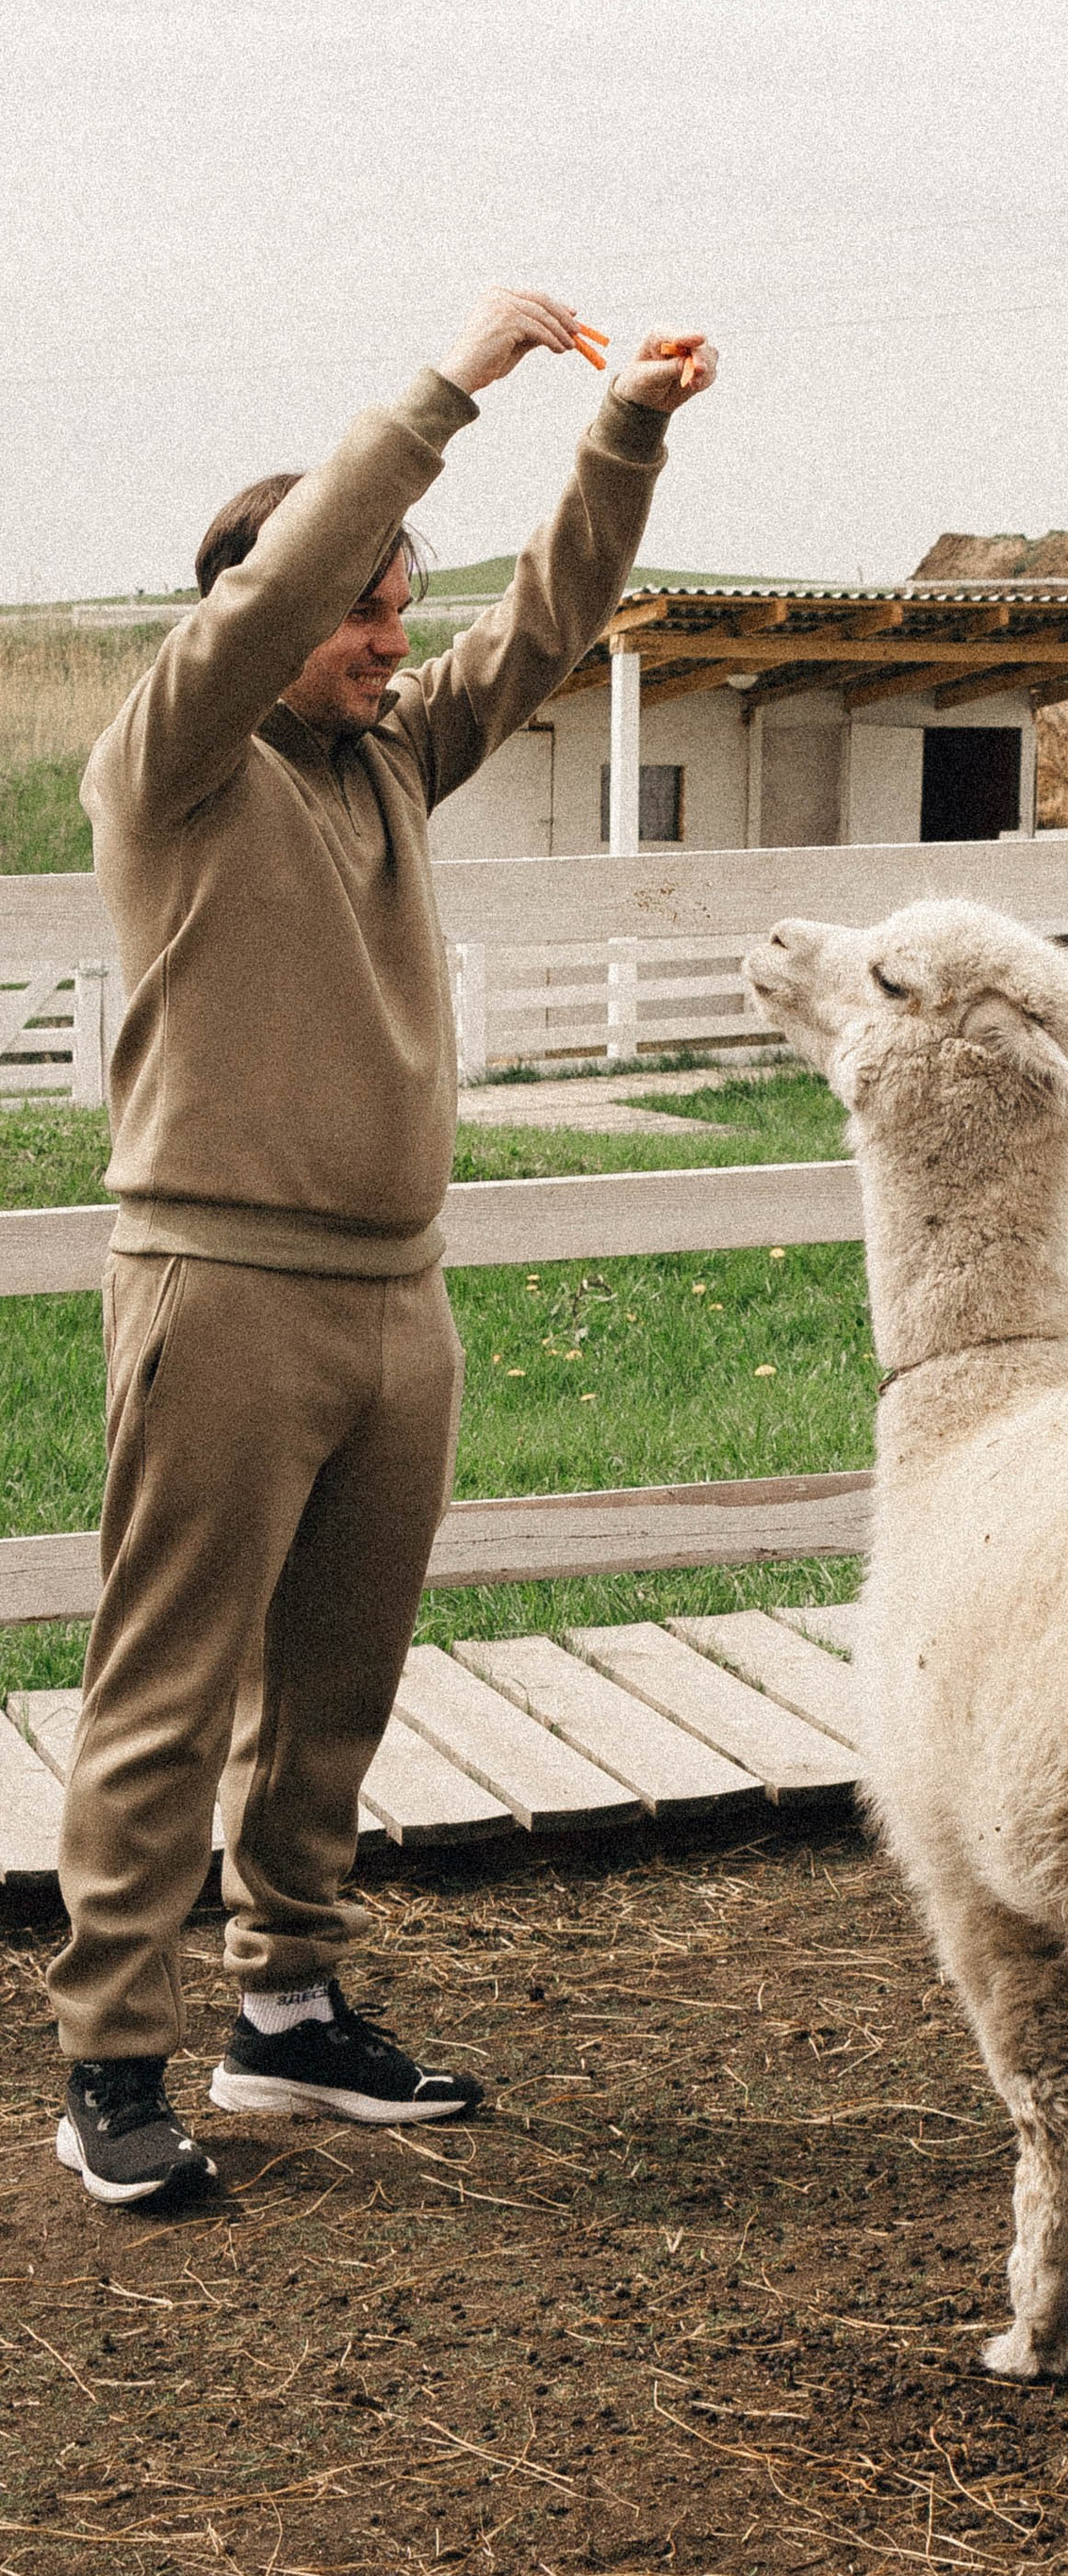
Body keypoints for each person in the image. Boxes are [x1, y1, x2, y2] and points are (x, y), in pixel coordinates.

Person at [50, 287, 718, 2207]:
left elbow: (545, 625)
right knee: (167, 1688)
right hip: (222, 1291)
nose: (388, 634)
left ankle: (286, 2018)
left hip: (390, 1296)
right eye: (360, 602)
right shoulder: (175, 759)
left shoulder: (385, 768)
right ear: (260, 606)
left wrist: (624, 438)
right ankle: (110, 2059)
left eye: (398, 603)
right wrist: (458, 388)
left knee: (334, 1691)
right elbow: (278, 593)